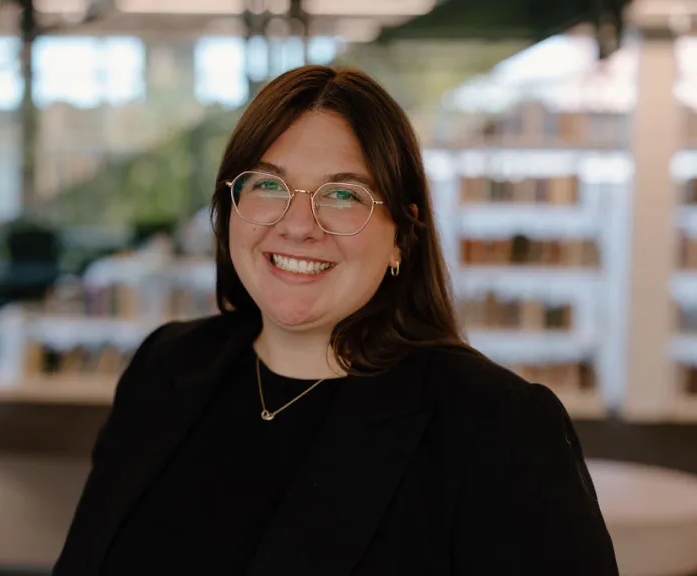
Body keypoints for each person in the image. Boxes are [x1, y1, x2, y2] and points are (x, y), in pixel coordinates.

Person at [54, 65, 619, 575]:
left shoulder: (494, 427)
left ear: (401, 233)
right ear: (230, 208)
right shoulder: (165, 366)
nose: (298, 226)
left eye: (344, 196)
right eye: (269, 185)